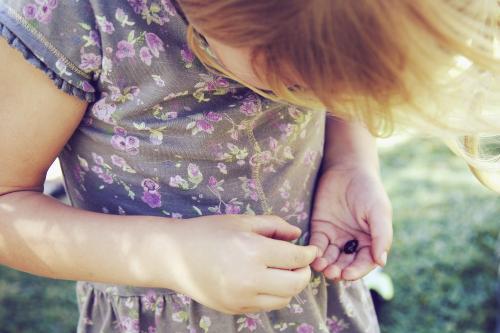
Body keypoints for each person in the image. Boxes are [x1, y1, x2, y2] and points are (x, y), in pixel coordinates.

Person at [0, 1, 496, 332]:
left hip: (316, 311)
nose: (325, 101)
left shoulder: (323, 20)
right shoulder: (72, 18)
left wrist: (351, 162)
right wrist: (170, 255)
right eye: (304, 89)